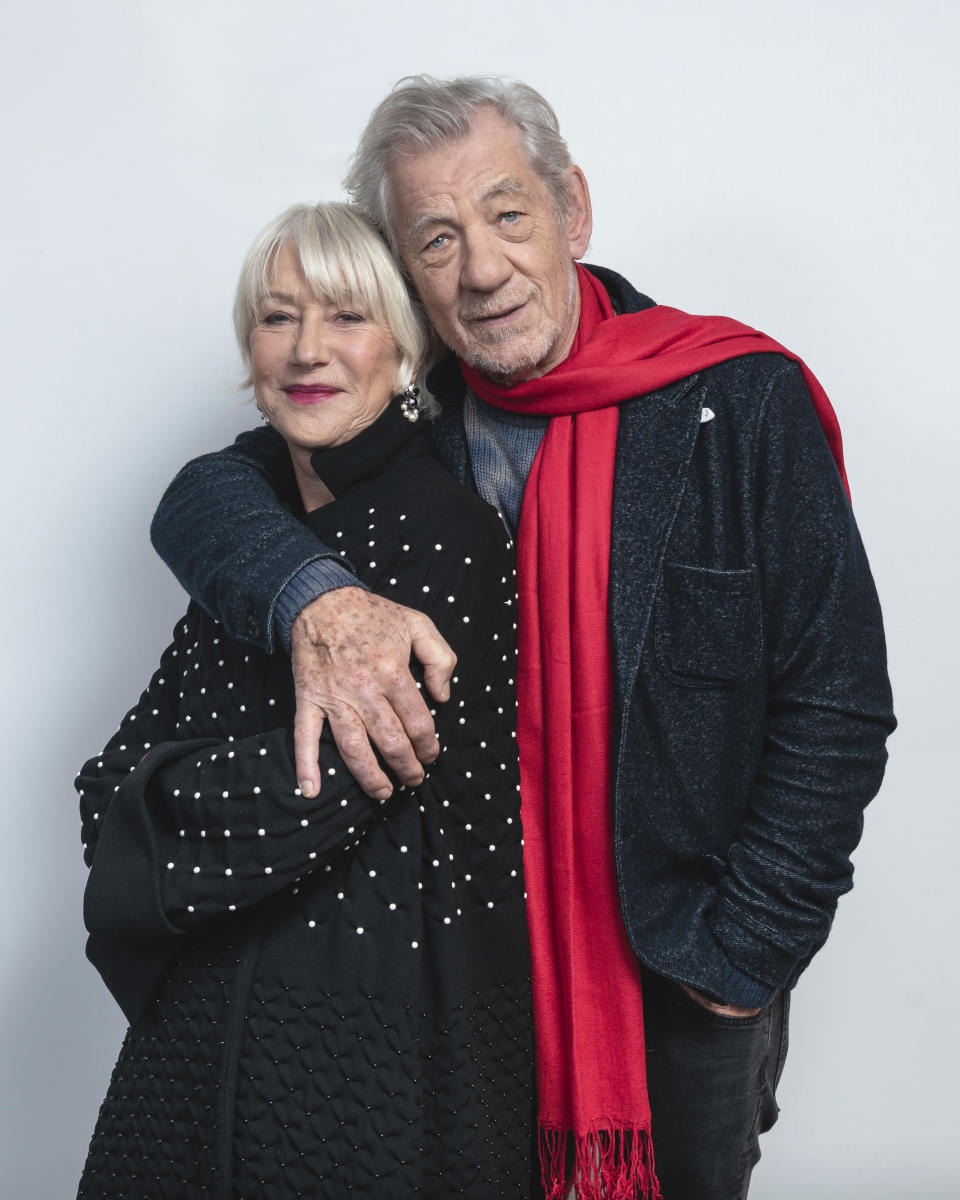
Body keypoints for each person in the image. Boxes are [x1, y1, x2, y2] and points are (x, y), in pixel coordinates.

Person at [150, 77, 896, 1200]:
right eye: (437, 239)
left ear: (574, 212)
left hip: (678, 960)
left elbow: (836, 700)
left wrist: (745, 953)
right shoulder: (401, 415)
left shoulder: (736, 402)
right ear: (405, 269)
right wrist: (317, 597)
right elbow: (205, 498)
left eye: (508, 217)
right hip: (472, 963)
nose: (484, 270)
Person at [75, 201, 535, 1199]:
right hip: (195, 1045)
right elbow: (99, 785)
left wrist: (154, 801)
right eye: (278, 317)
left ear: (407, 350)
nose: (306, 349)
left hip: (369, 1049)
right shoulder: (260, 544)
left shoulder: (443, 534)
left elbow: (321, 789)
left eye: (346, 316)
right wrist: (150, 796)